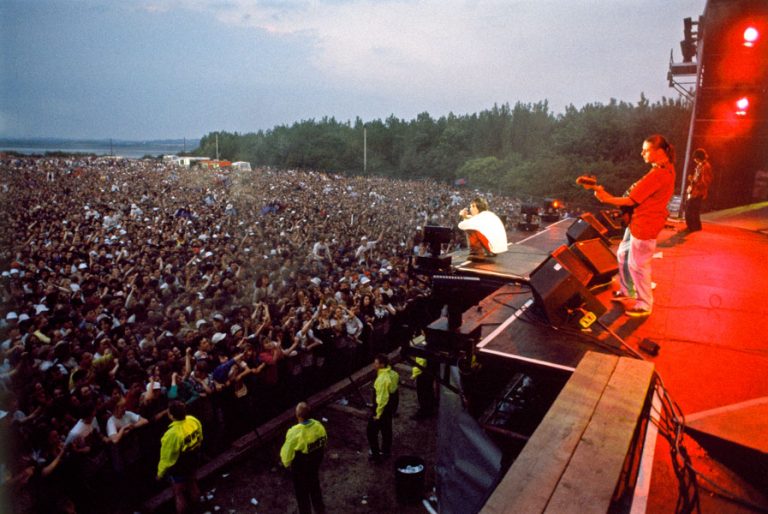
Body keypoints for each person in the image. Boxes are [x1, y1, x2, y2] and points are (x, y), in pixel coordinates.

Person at [594, 134, 676, 317]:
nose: (642, 153)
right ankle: (628, 291)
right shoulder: (664, 169)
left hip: (645, 225)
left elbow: (630, 200)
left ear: (660, 151)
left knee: (638, 265)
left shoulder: (659, 174)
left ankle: (645, 303)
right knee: (623, 255)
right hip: (638, 222)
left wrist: (605, 198)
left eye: (646, 150)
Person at [280, 402, 328, 514]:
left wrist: (287, 464)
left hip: (301, 467)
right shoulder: (318, 426)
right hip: (314, 464)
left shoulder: (294, 432)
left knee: (302, 495)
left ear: (297, 415)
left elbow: (286, 454)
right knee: (315, 488)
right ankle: (320, 511)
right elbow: (324, 442)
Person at [157, 400, 204, 514]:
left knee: (178, 493)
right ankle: (199, 509)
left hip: (179, 466)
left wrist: (160, 474)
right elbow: (200, 437)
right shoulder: (193, 420)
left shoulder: (171, 434)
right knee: (193, 483)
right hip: (193, 459)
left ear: (172, 416)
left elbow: (166, 458)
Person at [366, 353, 399, 462]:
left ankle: (376, 455)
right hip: (390, 409)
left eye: (376, 363)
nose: (374, 365)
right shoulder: (393, 374)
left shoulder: (382, 379)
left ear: (382, 364)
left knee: (371, 432)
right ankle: (386, 452)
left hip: (382, 410)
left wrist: (377, 414)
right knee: (386, 430)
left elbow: (382, 399)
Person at [458, 197, 508, 261]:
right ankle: (488, 252)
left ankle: (477, 254)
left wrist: (462, 216)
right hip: (498, 248)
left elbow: (461, 226)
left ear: (477, 208)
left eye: (472, 207)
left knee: (470, 229)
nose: (470, 209)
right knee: (474, 227)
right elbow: (473, 218)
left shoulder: (478, 219)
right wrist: (465, 216)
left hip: (493, 247)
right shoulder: (488, 214)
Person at [684, 148, 713, 232]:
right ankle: (695, 228)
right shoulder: (700, 166)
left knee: (690, 210)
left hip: (698, 192)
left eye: (695, 158)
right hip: (695, 191)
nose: (694, 160)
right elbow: (698, 179)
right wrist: (692, 179)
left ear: (699, 157)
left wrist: (694, 182)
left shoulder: (705, 167)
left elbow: (706, 181)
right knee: (694, 210)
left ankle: (692, 228)